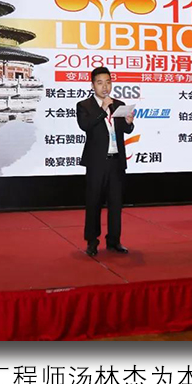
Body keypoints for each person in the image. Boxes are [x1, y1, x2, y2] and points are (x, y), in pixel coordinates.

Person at [76, 67, 135, 257]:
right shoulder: (84, 105)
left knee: (116, 204)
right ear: (92, 85)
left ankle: (114, 241)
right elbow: (85, 126)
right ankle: (92, 242)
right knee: (93, 203)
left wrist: (128, 122)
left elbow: (125, 130)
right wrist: (102, 109)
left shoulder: (118, 105)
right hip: (96, 163)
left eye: (108, 82)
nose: (105, 87)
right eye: (100, 83)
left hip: (116, 162)